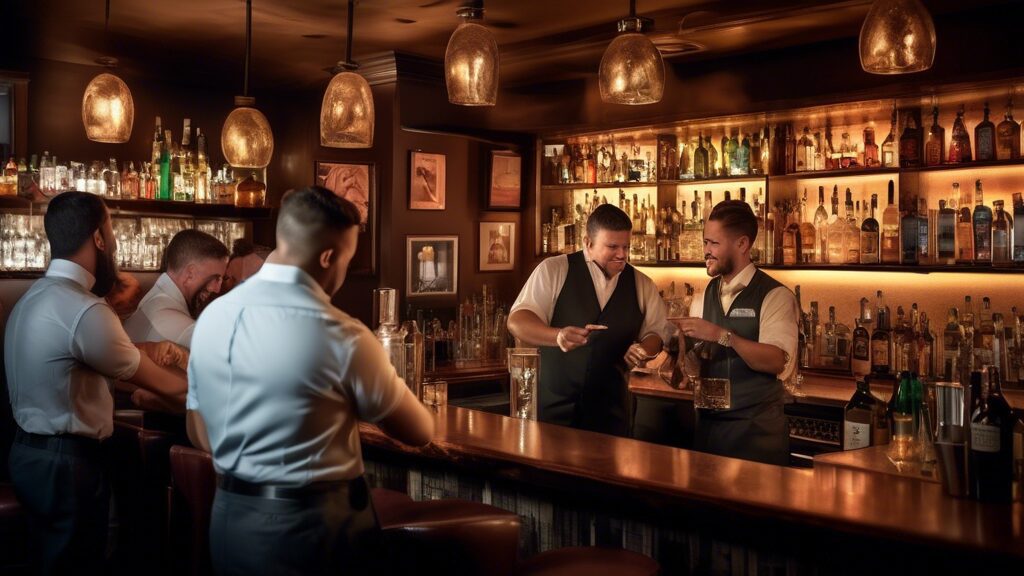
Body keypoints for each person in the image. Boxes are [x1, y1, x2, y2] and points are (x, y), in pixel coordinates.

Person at [186, 186, 434, 576]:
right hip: (313, 529)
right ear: (328, 257)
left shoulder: (213, 318)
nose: (343, 273)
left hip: (230, 518)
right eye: (347, 262)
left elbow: (197, 425)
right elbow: (419, 430)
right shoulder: (341, 334)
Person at [4, 191, 188, 574]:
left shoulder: (34, 298)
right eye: (112, 233)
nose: (116, 245)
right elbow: (166, 386)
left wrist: (149, 349)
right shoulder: (84, 308)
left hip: (27, 455)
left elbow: (85, 364)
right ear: (99, 239)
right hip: (66, 465)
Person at [507, 204, 668, 437]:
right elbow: (518, 320)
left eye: (626, 246)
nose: (622, 254)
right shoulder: (555, 270)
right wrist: (558, 336)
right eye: (612, 246)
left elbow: (656, 333)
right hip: (552, 411)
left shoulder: (641, 284)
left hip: (611, 415)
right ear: (588, 243)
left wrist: (643, 349)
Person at [672, 200, 798, 465]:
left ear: (742, 244)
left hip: (755, 435)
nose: (706, 250)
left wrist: (721, 334)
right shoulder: (703, 295)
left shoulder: (775, 296)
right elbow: (696, 367)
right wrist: (683, 355)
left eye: (714, 244)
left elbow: (778, 360)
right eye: (705, 242)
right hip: (708, 431)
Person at [124, 229, 229, 348]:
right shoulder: (187, 332)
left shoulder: (152, 301)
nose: (217, 289)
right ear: (190, 275)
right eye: (215, 278)